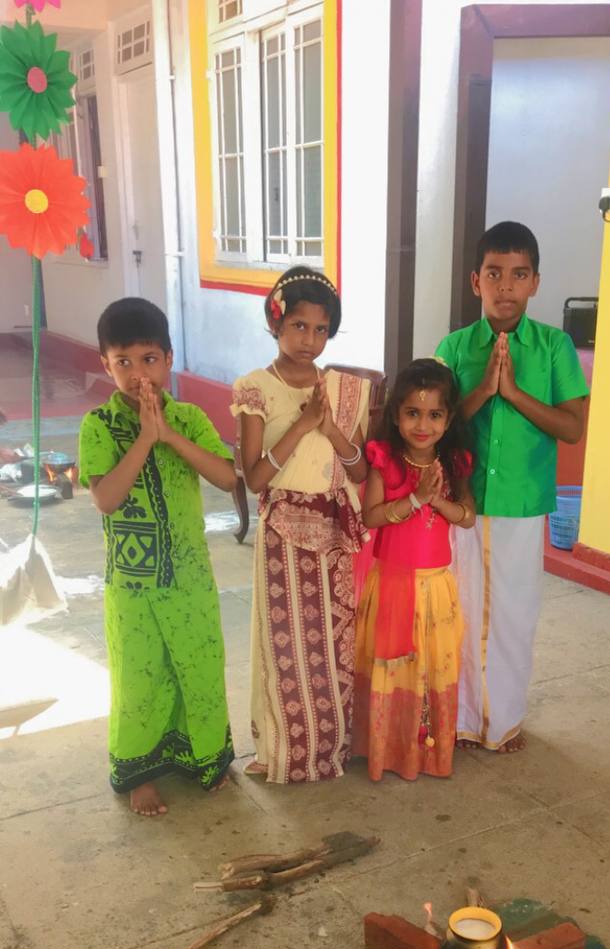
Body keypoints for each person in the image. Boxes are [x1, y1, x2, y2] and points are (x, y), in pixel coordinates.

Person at [78, 298, 236, 816]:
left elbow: (227, 476)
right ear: (106, 364)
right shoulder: (98, 425)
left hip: (189, 576)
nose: (137, 373)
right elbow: (107, 499)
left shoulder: (188, 417)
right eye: (123, 362)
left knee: (198, 666)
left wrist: (168, 434)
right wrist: (145, 439)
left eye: (148, 359)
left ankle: (202, 756)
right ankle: (140, 772)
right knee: (140, 675)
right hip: (133, 584)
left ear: (168, 359)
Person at [436, 221, 588, 753]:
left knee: (514, 613)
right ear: (476, 281)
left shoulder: (553, 347)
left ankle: (503, 722)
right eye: (495, 274)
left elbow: (572, 427)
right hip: (463, 502)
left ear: (535, 283)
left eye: (518, 275)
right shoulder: (454, 347)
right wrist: (482, 389)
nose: (506, 287)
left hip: (522, 504)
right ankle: (458, 718)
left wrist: (516, 394)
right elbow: (436, 423)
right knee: (459, 607)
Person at [233, 265, 370, 784]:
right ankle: (282, 751)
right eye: (297, 326)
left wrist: (331, 428)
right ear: (276, 323)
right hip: (282, 530)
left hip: (334, 529)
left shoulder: (343, 390)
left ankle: (327, 751)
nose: (308, 340)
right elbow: (255, 477)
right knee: (285, 645)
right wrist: (302, 426)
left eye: (319, 329)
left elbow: (358, 470)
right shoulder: (254, 388)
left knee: (332, 648)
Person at [353, 358, 475, 781]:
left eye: (435, 414)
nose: (423, 424)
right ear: (396, 415)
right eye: (412, 413)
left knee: (430, 668)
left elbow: (467, 517)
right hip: (391, 585)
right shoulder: (383, 459)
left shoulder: (455, 463)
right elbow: (370, 517)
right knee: (393, 666)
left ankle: (424, 751)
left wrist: (438, 500)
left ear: (448, 418)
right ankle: (387, 750)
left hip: (436, 587)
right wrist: (416, 500)